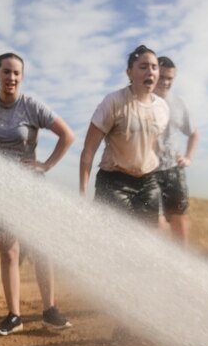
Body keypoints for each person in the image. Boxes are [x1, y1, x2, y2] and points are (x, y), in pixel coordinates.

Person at [0, 52, 75, 335]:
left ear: (22, 77)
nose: (11, 78)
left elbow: (67, 135)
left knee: (40, 249)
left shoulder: (31, 106)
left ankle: (50, 311)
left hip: (31, 190)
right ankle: (14, 316)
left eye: (16, 73)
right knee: (9, 253)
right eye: (6, 72)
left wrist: (45, 165)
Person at [79, 45, 169, 224]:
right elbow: (88, 151)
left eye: (154, 67)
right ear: (129, 73)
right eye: (143, 67)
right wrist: (82, 194)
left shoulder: (163, 108)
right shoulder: (113, 101)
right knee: (115, 241)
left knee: (147, 241)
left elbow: (151, 145)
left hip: (148, 182)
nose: (150, 72)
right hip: (115, 182)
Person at [154, 56, 199, 244]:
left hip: (174, 171)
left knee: (179, 222)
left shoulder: (179, 104)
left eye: (169, 78)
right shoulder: (140, 100)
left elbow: (194, 133)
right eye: (162, 76)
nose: (165, 82)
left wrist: (188, 158)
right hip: (148, 172)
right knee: (155, 225)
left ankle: (181, 270)